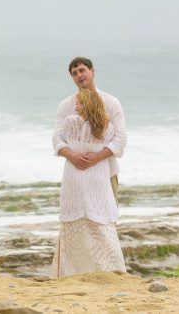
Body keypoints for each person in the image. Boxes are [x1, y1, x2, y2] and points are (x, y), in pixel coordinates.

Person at [50, 88, 126, 276]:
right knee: (93, 220)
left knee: (91, 220)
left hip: (88, 175)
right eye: (76, 102)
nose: (75, 106)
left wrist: (88, 156)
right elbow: (58, 140)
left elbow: (59, 139)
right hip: (90, 176)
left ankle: (82, 271)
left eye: (80, 103)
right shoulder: (105, 125)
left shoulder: (77, 122)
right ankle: (103, 269)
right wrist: (77, 155)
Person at [52, 57, 127, 201]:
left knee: (107, 220)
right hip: (75, 174)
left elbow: (121, 138)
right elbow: (56, 139)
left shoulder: (111, 102)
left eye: (82, 70)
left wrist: (97, 157)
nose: (79, 75)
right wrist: (73, 156)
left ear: (92, 71)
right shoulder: (66, 105)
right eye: (74, 73)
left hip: (106, 173)